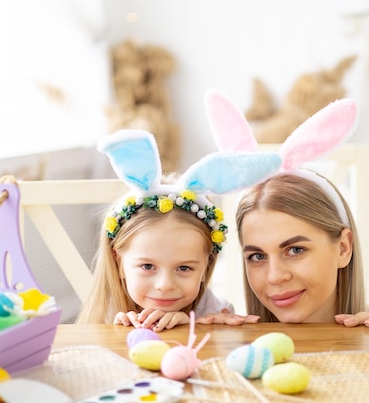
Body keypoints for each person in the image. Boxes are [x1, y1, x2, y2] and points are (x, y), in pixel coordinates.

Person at [76, 128, 281, 331]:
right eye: (147, 266)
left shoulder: (214, 313)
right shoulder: (107, 317)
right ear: (119, 262)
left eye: (184, 268)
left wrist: (199, 328)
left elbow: (224, 356)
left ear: (205, 266)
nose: (165, 285)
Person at [236, 171, 369, 327]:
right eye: (258, 256)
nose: (274, 277)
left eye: (295, 250)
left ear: (343, 249)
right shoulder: (232, 347)